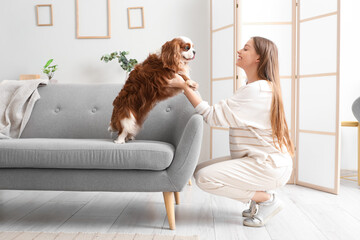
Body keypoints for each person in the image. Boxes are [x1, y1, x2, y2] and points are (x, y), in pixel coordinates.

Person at [167, 36, 294, 227]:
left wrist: (184, 87)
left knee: (204, 178)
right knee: (200, 170)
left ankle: (265, 199)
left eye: (245, 48)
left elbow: (211, 115)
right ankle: (257, 198)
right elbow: (213, 112)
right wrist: (186, 83)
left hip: (268, 165)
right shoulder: (256, 87)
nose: (239, 51)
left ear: (258, 58)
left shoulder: (257, 90)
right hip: (264, 161)